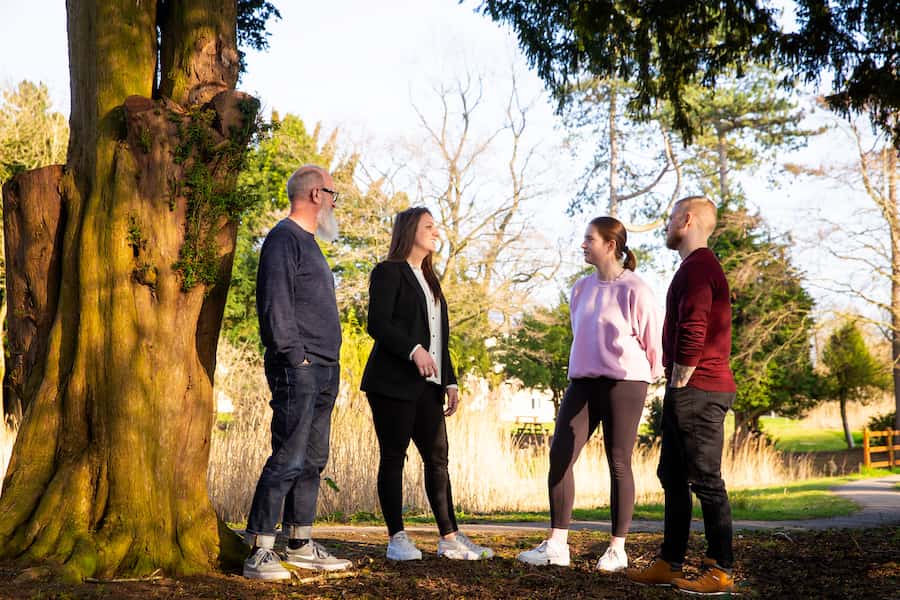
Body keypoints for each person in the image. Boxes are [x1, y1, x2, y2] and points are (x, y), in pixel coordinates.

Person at [518, 216, 662, 572]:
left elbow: (653, 345)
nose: (583, 245)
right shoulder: (580, 289)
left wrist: (649, 379)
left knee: (618, 461)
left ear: (610, 245)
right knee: (560, 456)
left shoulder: (636, 290)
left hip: (625, 384)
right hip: (582, 383)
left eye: (589, 239)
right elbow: (581, 336)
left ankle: (617, 548)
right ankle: (556, 544)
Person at [360, 206, 494, 562]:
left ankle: (450, 537)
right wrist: (413, 350)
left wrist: (449, 380)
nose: (437, 232)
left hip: (429, 387)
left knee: (438, 460)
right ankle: (397, 538)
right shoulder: (389, 272)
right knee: (394, 456)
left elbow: (439, 339)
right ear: (409, 231)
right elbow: (377, 324)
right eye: (429, 226)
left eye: (437, 227)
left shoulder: (431, 280)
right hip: (391, 383)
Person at [242, 165, 352, 580]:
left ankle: (300, 543)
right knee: (288, 455)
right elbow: (275, 305)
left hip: (325, 368)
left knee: (313, 459)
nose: (334, 203)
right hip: (299, 369)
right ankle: (259, 548)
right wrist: (295, 357)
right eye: (332, 194)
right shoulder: (283, 239)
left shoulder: (310, 244)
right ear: (314, 194)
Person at [626, 196, 737, 595]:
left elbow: (695, 328)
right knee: (672, 476)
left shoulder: (699, 268)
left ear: (687, 220)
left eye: (672, 217)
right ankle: (670, 562)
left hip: (699, 389)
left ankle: (720, 569)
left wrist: (677, 383)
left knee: (706, 480)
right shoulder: (694, 268)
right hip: (691, 388)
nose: (667, 224)